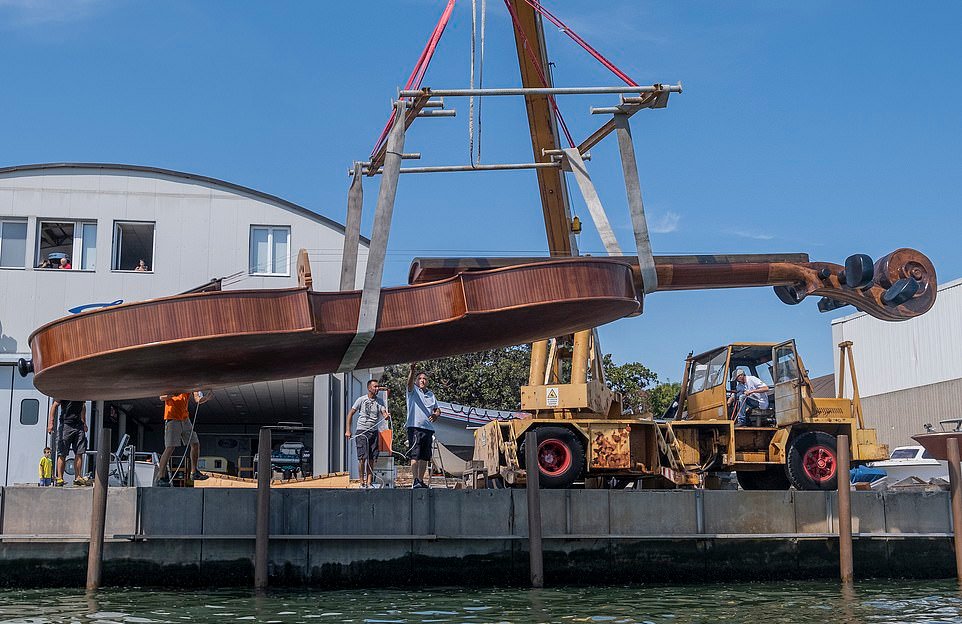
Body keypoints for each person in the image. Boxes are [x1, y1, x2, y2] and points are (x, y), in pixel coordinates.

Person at [155, 391, 212, 486]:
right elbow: (162, 397)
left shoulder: (190, 386)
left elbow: (197, 399)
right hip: (172, 418)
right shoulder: (172, 383)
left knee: (195, 443)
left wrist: (205, 398)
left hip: (185, 419)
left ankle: (194, 472)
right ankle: (160, 476)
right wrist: (173, 394)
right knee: (170, 447)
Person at [345, 379, 391, 488]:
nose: (377, 389)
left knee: (372, 458)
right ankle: (362, 482)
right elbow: (350, 414)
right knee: (362, 458)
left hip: (373, 432)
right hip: (362, 431)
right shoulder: (361, 400)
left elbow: (384, 412)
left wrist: (386, 416)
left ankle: (369, 482)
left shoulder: (380, 401)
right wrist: (348, 430)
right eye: (375, 387)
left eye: (378, 387)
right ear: (369, 388)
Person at [406, 363, 440, 489]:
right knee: (415, 455)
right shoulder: (413, 391)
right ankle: (415, 480)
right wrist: (412, 370)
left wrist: (436, 414)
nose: (422, 380)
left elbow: (437, 409)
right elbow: (409, 383)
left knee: (425, 456)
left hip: (428, 428)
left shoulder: (431, 394)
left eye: (424, 379)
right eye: (420, 378)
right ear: (416, 380)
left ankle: (420, 480)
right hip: (415, 426)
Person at [47, 399, 89, 486]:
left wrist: (84, 422)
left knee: (79, 452)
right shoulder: (65, 390)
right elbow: (54, 406)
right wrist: (51, 423)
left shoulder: (81, 393)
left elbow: (83, 406)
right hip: (66, 424)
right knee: (62, 452)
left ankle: (78, 477)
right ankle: (60, 478)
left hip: (78, 425)